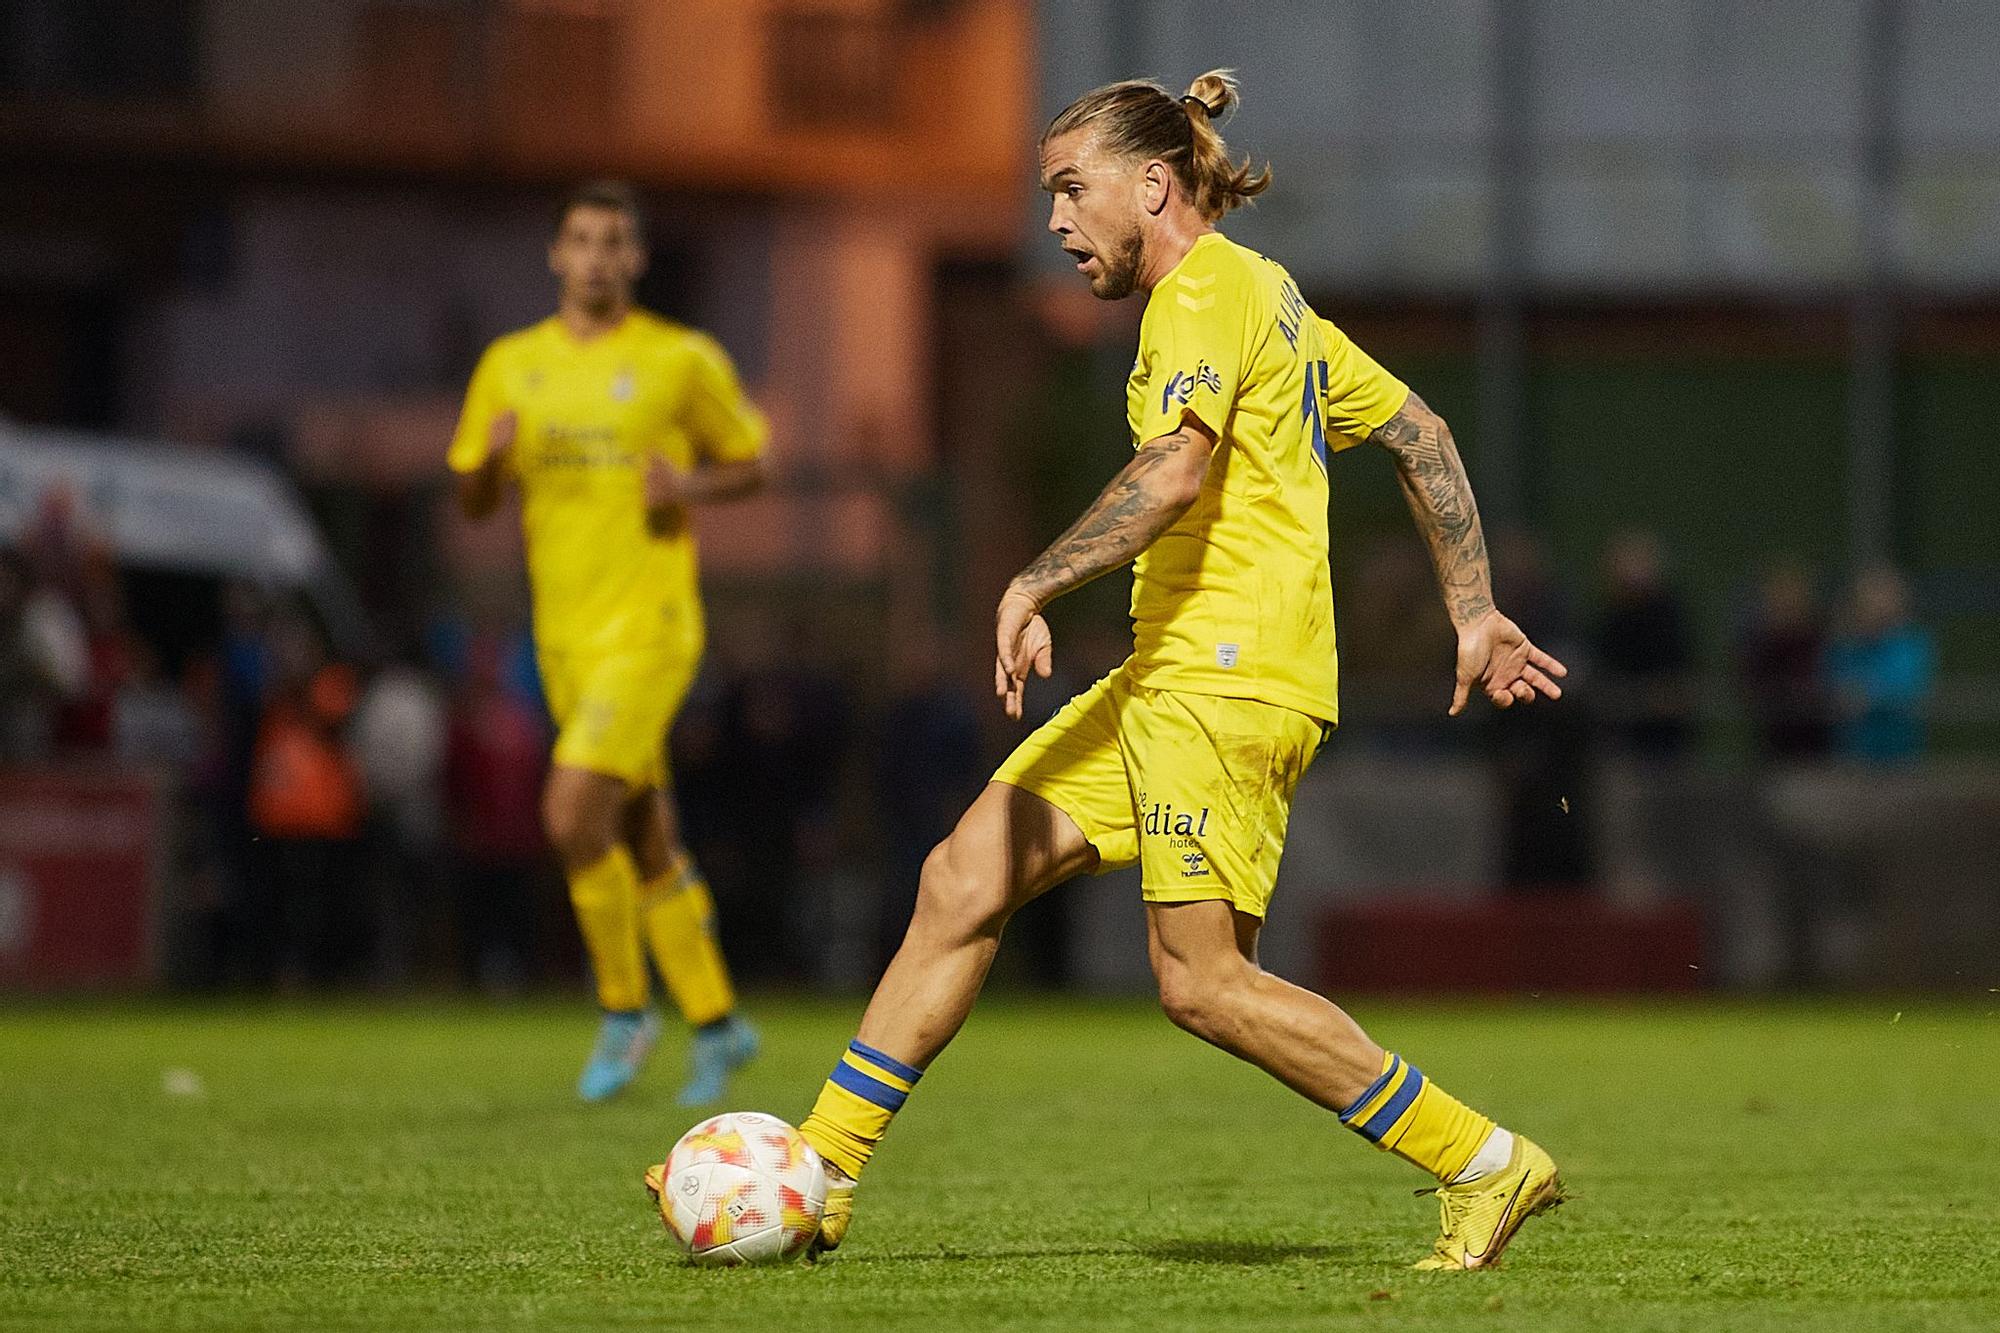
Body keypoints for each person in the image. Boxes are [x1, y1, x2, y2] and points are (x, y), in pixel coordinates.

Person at [654, 72, 1572, 1268]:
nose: (1053, 221)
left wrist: (1033, 581)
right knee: (959, 878)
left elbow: (1174, 470)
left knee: (1200, 986)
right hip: (1171, 676)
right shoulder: (1267, 295)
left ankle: (1484, 1160)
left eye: (1068, 190)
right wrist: (1473, 609)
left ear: (1150, 185)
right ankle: (817, 1172)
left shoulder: (1197, 294)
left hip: (1224, 680)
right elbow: (1421, 435)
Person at [449, 180, 765, 1104]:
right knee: (641, 831)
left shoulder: (679, 358)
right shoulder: (510, 365)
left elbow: (753, 460)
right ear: (556, 254)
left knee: (569, 812)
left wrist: (691, 489)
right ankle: (719, 1022)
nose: (596, 256)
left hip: (652, 627)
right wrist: (491, 463)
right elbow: (472, 496)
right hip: (563, 637)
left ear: (636, 258)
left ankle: (626, 1011)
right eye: (581, 239)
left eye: (614, 241)